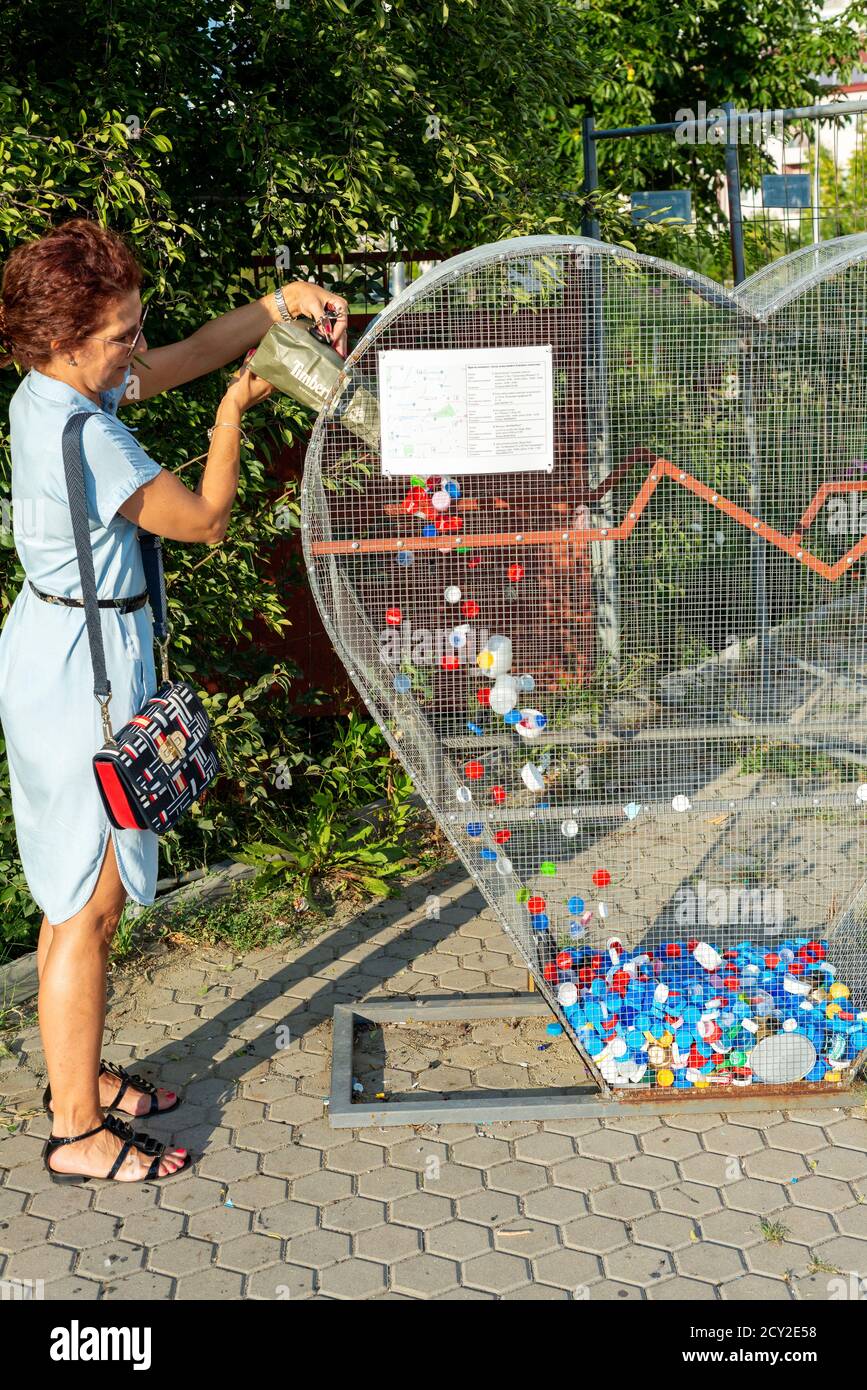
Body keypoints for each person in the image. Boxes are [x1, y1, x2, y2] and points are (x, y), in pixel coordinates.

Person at [0, 217, 348, 1183]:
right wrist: (235, 412)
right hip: (83, 676)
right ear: (67, 340)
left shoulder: (51, 393)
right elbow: (204, 520)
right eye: (120, 335)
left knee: (76, 888)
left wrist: (279, 309)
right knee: (88, 904)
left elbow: (186, 353)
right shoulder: (89, 435)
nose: (137, 348)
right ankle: (77, 1132)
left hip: (62, 647)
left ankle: (81, 1079)